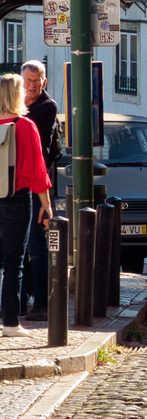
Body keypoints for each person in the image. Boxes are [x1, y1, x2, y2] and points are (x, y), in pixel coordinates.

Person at [0, 74, 52, 338]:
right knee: (13, 263)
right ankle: (10, 323)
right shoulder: (25, 125)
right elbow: (37, 171)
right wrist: (46, 205)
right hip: (16, 199)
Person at [19, 62, 58, 318]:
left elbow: (32, 140)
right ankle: (16, 302)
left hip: (37, 184)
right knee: (13, 248)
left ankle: (42, 304)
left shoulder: (47, 107)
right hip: (14, 184)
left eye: (36, 80)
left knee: (35, 245)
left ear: (43, 81)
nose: (31, 85)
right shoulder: (16, 105)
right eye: (27, 80)